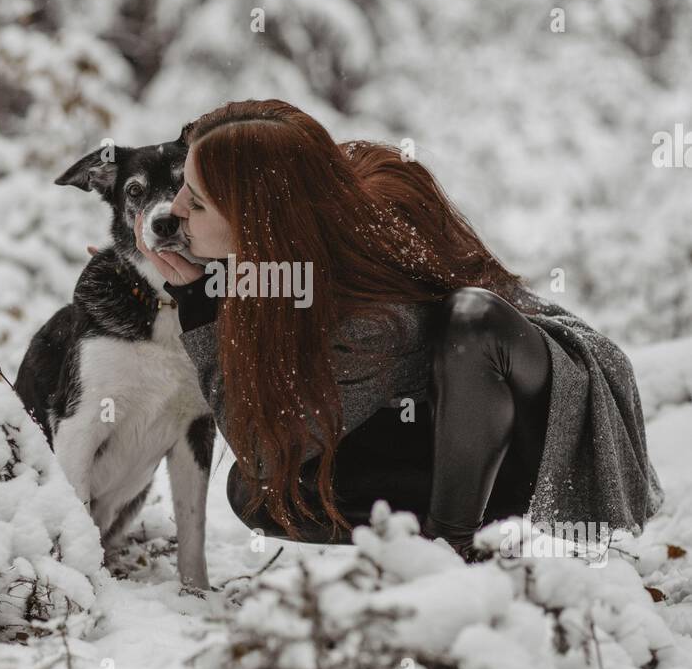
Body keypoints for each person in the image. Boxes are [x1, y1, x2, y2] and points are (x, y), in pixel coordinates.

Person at [134, 99, 664, 560]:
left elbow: (261, 446)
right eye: (185, 186)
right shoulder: (291, 246)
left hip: (536, 422)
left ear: (259, 222)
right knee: (261, 493)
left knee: (470, 322)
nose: (177, 209)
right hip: (432, 413)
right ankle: (443, 532)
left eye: (197, 202)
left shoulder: (374, 322)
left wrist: (201, 308)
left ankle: (452, 551)